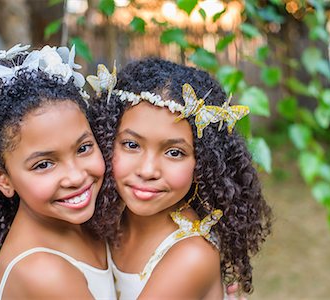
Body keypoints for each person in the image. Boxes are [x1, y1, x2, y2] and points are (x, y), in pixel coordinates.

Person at [87, 58, 272, 299]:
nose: (148, 170)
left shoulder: (190, 256)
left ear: (204, 164)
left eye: (174, 152)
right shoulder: (109, 219)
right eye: (132, 145)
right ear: (107, 139)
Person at [0, 44, 120, 299]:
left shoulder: (90, 223)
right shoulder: (43, 272)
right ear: (1, 178)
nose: (75, 176)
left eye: (83, 148)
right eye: (44, 164)